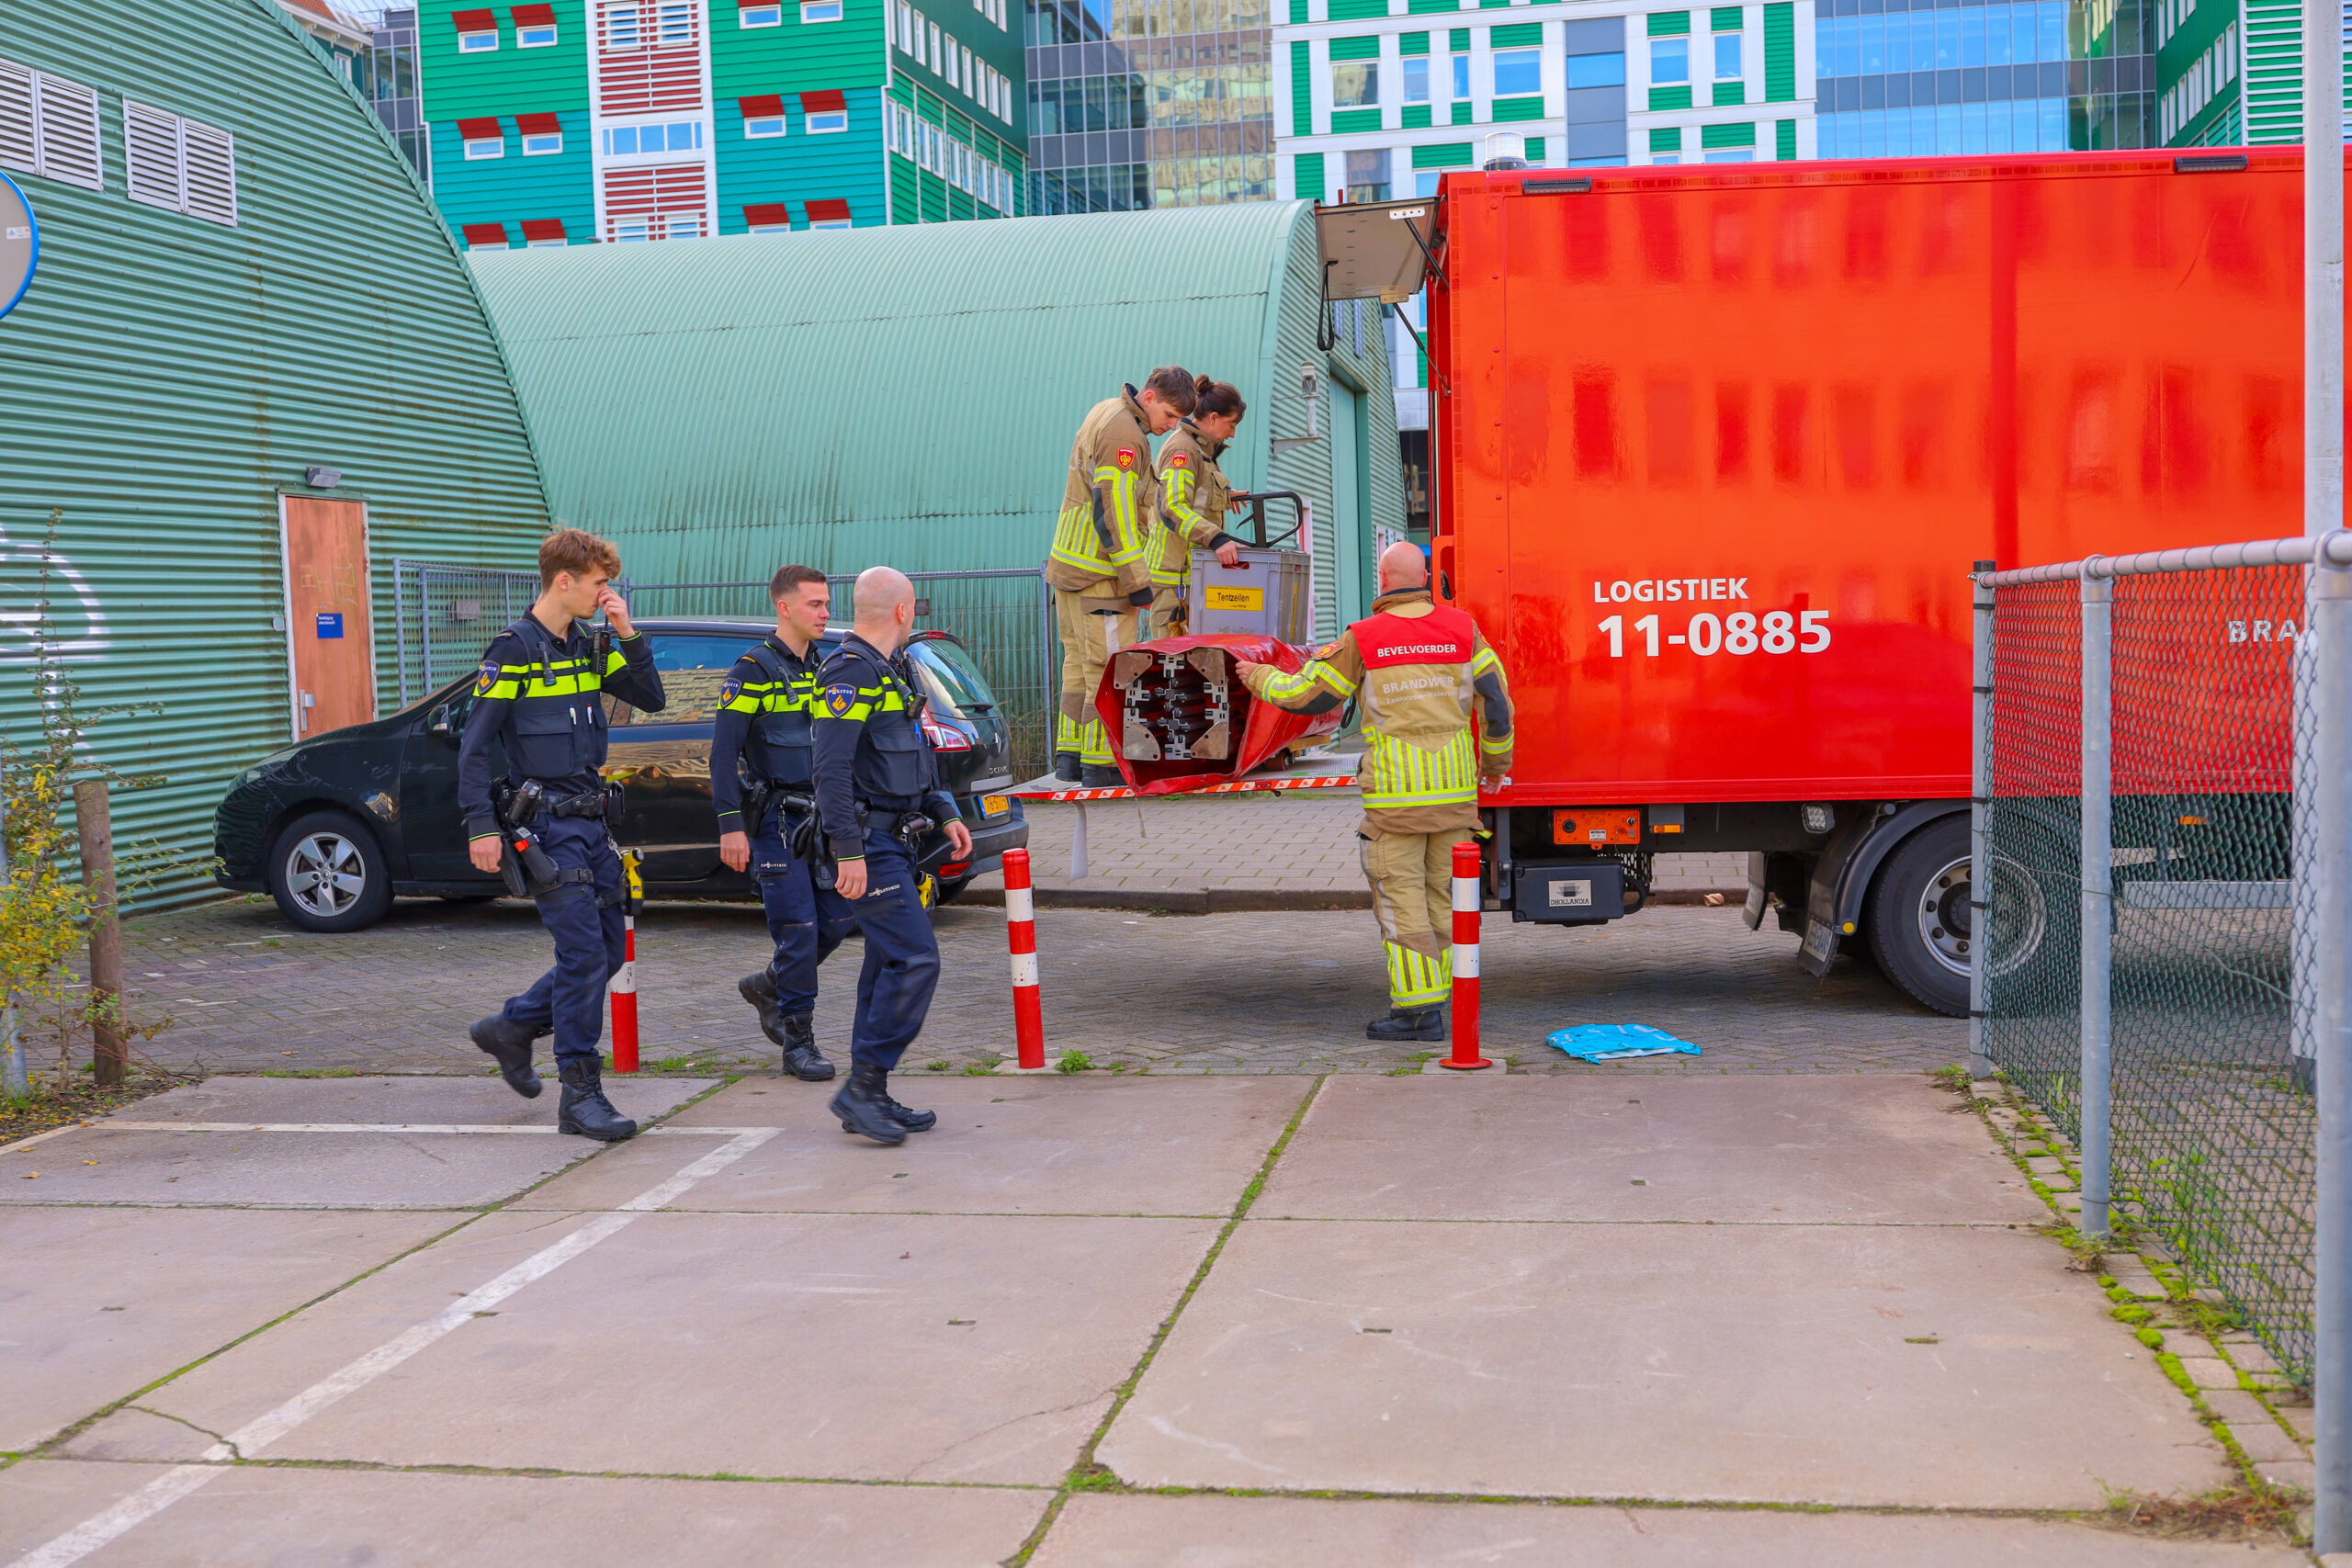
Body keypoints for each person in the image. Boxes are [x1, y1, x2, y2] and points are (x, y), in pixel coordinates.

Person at [1236, 542, 1513, 1042]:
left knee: (1400, 897)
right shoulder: (1462, 628)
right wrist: (1496, 763)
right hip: (1453, 797)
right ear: (1426, 576)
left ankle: (1417, 1013)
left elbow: (1308, 696)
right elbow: (1498, 702)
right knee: (1443, 898)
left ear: (1382, 579)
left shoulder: (1364, 637)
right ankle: (1448, 996)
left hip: (1397, 801)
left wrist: (1256, 675)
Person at [460, 528, 666, 1138]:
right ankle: (580, 1093)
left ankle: (514, 1026)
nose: (607, 593)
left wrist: (628, 632)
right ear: (564, 580)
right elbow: (473, 749)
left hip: (592, 822)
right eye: (601, 584)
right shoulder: (513, 649)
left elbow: (651, 697)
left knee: (604, 952)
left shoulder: (587, 645)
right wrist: (481, 826)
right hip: (544, 826)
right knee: (581, 954)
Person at [813, 566, 975, 1145]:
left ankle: (871, 1092)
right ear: (903, 611)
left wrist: (946, 810)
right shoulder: (848, 673)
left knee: (885, 963)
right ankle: (861, 1090)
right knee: (916, 959)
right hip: (867, 843)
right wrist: (848, 852)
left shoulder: (891, 669)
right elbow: (829, 771)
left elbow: (913, 756)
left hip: (898, 838)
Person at [714, 564, 852, 1082]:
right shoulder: (752, 670)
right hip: (774, 822)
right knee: (799, 931)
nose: (826, 612)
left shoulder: (826, 667)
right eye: (815, 603)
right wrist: (730, 826)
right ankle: (799, 1043)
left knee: (838, 920)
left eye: (826, 602)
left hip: (822, 821)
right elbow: (723, 755)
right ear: (784, 607)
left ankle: (768, 984)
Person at [1044, 367, 1197, 785]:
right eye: (1168, 415)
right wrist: (1138, 582)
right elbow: (1115, 513)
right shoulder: (1125, 435)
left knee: (1077, 663)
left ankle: (1071, 758)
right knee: (1113, 668)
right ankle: (1106, 761)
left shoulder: (1106, 410)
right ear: (1148, 397)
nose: (1169, 427)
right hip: (1102, 575)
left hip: (1070, 565)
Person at [1149, 375, 1250, 639]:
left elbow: (1197, 497)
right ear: (1213, 417)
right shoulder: (1183, 450)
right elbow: (1172, 506)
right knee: (1172, 665)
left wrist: (1225, 495)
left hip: (1194, 575)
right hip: (1175, 580)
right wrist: (1217, 538)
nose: (1233, 433)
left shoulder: (1203, 451)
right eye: (1232, 424)